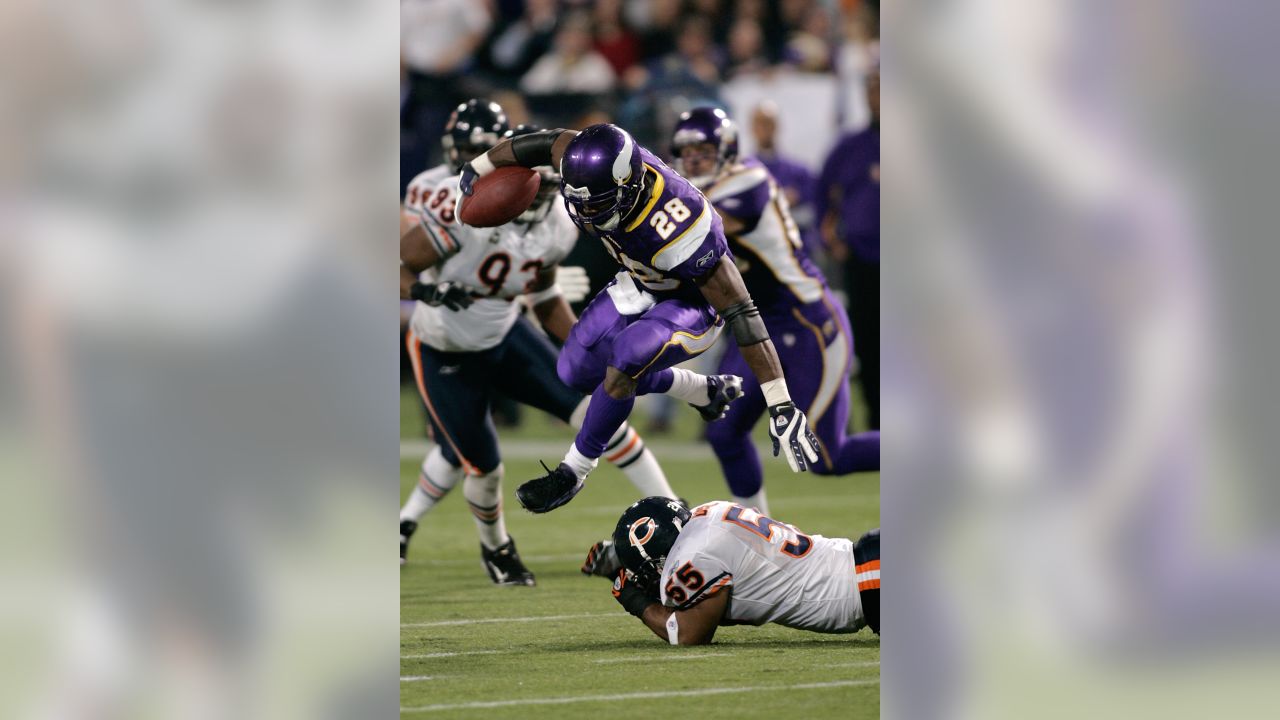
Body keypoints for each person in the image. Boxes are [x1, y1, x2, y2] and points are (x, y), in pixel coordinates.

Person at [456, 123, 824, 514]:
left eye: (597, 203)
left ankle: (573, 471)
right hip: (641, 282)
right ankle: (701, 390)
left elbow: (743, 312)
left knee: (628, 357)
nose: (586, 213)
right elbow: (540, 143)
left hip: (693, 304)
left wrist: (780, 402)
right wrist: (478, 165)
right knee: (573, 372)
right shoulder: (589, 165)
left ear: (627, 185)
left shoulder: (684, 225)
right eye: (580, 201)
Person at [398, 123, 680, 583]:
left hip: (505, 333)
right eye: (537, 181)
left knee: (601, 414)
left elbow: (545, 296)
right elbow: (400, 265)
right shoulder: (463, 212)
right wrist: (428, 292)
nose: (544, 192)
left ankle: (673, 513)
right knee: (484, 468)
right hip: (444, 345)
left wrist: (583, 349)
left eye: (552, 183)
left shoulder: (560, 224)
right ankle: (497, 549)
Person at [671, 107, 879, 513]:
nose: (694, 159)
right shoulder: (690, 194)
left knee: (825, 455)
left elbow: (697, 227)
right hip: (758, 327)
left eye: (703, 150)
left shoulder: (747, 179)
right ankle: (758, 535)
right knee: (725, 432)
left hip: (806, 322)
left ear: (726, 150)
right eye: (686, 151)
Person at [585, 497, 879, 644]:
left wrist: (630, 596)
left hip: (867, 586)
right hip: (862, 558)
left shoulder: (691, 558)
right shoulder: (707, 513)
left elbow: (687, 634)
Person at [818, 68, 879, 428]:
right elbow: (823, 195)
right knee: (868, 343)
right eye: (872, 89)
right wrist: (832, 238)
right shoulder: (849, 147)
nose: (878, 96)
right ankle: (875, 419)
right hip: (862, 259)